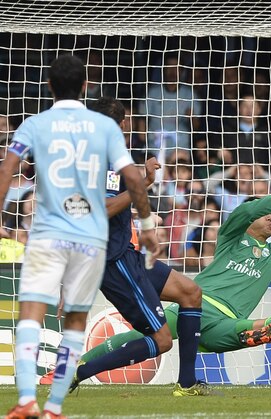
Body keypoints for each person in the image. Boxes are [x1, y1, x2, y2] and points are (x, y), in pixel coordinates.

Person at [54, 169, 271, 385]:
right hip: (193, 308)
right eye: (266, 214)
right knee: (141, 337)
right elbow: (243, 213)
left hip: (226, 322)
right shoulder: (231, 237)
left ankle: (252, 332)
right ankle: (73, 367)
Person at [0, 55, 158, 419]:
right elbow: (133, 179)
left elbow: (9, 169)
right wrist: (148, 228)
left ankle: (26, 400)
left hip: (47, 232)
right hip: (90, 239)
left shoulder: (35, 124)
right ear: (86, 86)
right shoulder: (101, 128)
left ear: (49, 86)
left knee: (30, 314)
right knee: (75, 320)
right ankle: (54, 407)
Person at [38, 96, 207, 397]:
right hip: (114, 263)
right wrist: (143, 183)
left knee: (191, 293)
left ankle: (188, 383)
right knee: (163, 339)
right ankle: (79, 371)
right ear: (122, 123)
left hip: (127, 255)